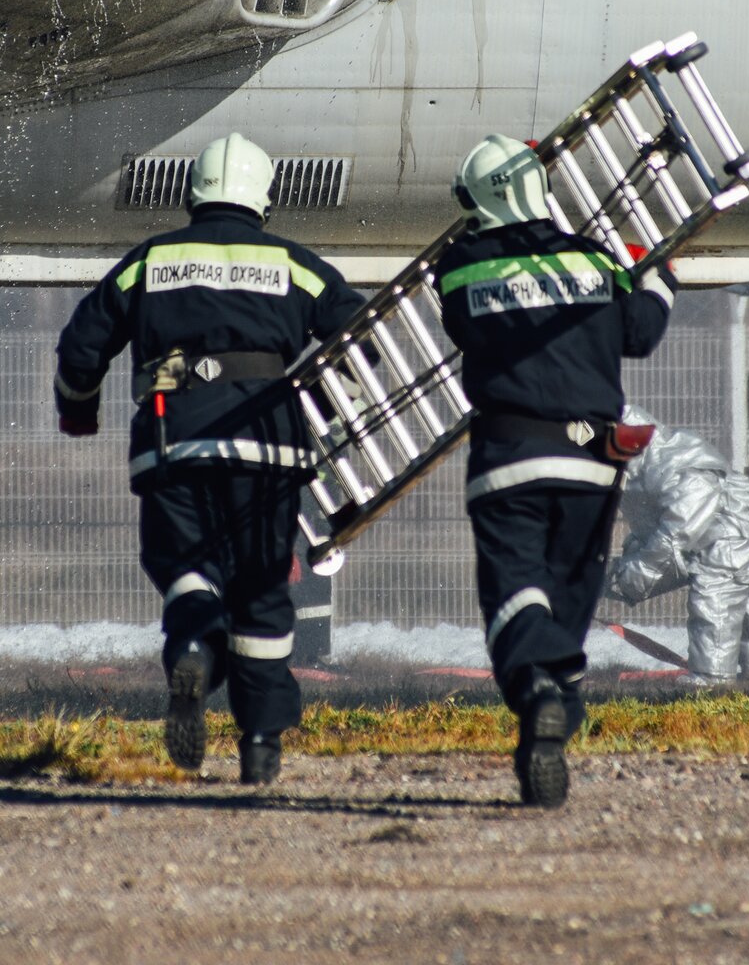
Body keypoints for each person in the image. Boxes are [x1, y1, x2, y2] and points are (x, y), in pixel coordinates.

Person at [54, 133, 365, 784]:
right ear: (263, 198)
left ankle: (194, 649)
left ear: (193, 195)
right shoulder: (293, 264)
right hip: (268, 448)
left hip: (175, 443)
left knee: (187, 568)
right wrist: (336, 407)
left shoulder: (151, 261)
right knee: (259, 590)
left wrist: (79, 410)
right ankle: (259, 744)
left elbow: (83, 344)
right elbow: (361, 337)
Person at [433, 133, 676, 807]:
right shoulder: (597, 260)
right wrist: (658, 275)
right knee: (570, 595)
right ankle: (553, 720)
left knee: (516, 590)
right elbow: (642, 332)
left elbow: (461, 324)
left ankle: (542, 686)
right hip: (593, 466)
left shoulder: (461, 263)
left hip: (509, 455)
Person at [605, 406, 749, 685]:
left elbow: (678, 528)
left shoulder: (667, 461)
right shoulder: (636, 466)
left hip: (727, 539)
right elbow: (654, 528)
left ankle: (712, 678)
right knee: (747, 613)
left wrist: (638, 571)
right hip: (729, 540)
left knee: (714, 603)